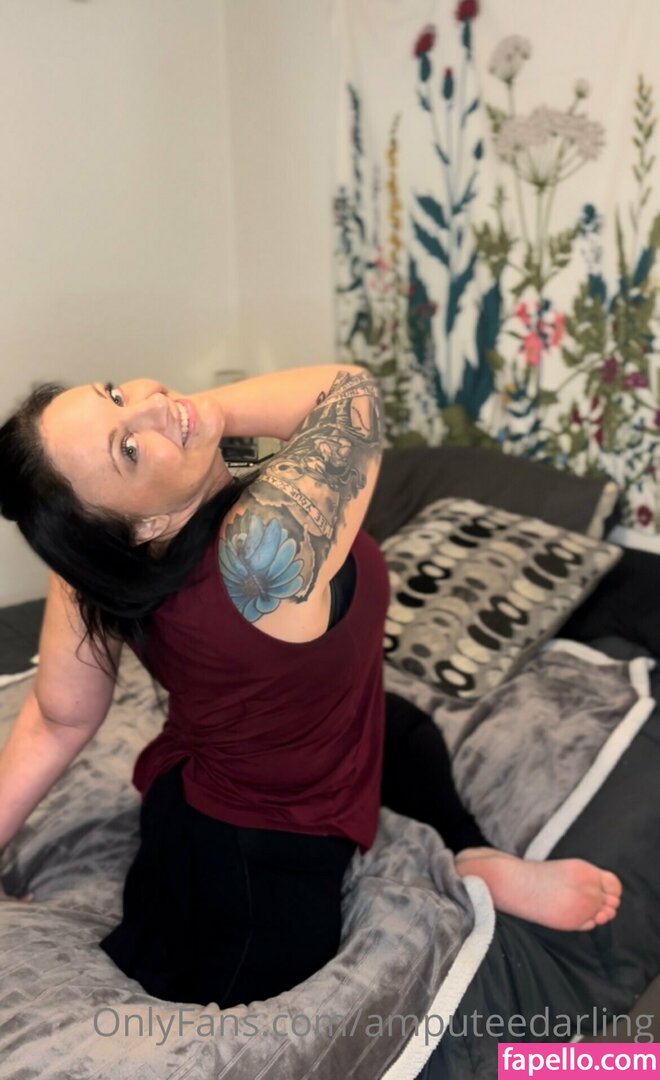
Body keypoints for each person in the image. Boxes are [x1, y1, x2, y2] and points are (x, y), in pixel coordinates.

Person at [0, 365, 621, 1008]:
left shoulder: (107, 549)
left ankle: (472, 854)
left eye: (115, 393)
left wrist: (176, 423)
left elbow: (60, 718)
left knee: (405, 730)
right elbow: (350, 393)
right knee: (254, 1002)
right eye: (127, 449)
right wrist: (193, 417)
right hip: (254, 839)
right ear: (141, 527)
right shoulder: (259, 552)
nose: (150, 405)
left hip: (326, 723)